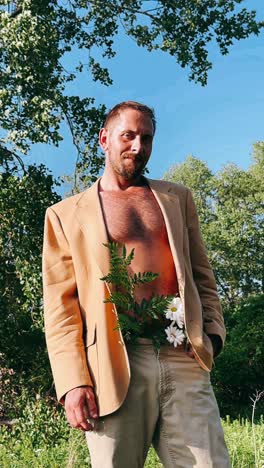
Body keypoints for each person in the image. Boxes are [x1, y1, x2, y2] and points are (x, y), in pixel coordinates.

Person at [42, 101, 230, 467]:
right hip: (111, 364)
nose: (138, 147)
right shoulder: (64, 216)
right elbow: (61, 309)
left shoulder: (177, 199)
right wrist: (72, 382)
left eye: (146, 138)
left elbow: (201, 275)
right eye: (128, 136)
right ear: (104, 139)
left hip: (182, 354)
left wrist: (213, 335)